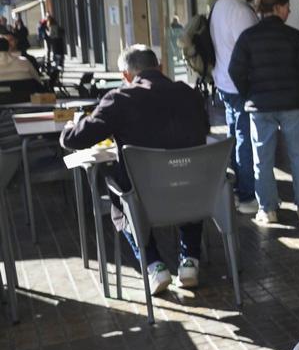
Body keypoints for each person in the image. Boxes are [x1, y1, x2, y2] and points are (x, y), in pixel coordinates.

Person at [60, 45, 210, 293]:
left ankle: (154, 265)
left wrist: (67, 129)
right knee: (184, 172)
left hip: (143, 199)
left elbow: (78, 139)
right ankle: (190, 260)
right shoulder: (189, 94)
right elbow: (202, 129)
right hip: (193, 194)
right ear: (160, 67)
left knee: (118, 191)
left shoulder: (120, 99)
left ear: (126, 76)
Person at [228, 0, 299, 224]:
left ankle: (268, 209)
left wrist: (250, 93)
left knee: (262, 159)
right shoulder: (294, 36)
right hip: (293, 104)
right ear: (277, 7)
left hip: (260, 106)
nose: (289, 11)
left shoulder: (248, 37)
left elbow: (235, 70)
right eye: (287, 6)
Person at [211, 0, 263, 216]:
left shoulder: (219, 6)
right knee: (246, 139)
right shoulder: (242, 11)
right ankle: (246, 194)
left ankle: (236, 189)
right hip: (241, 85)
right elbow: (256, 49)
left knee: (234, 136)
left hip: (224, 82)